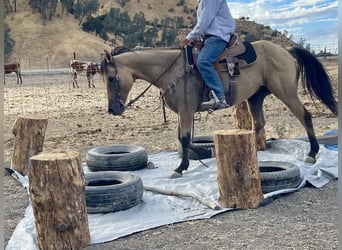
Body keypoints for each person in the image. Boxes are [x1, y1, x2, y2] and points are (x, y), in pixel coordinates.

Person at [180, 0, 236, 110]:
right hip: (210, 36)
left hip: (218, 36)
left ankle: (219, 98)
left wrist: (188, 38)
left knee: (203, 61)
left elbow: (204, 22)